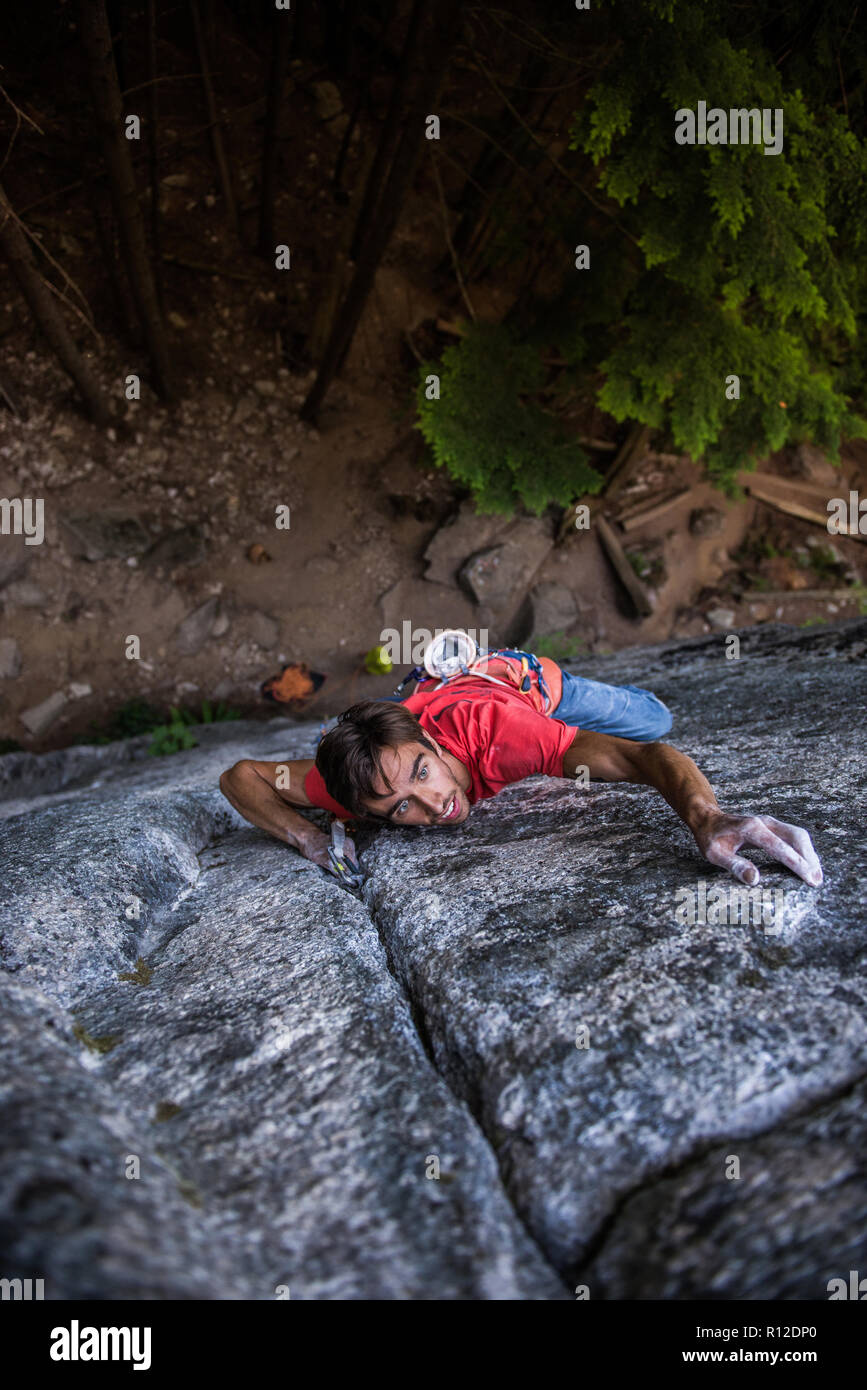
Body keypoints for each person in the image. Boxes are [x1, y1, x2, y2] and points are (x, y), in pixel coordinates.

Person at [219, 650, 823, 888]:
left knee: (654, 720)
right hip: (430, 702)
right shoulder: (355, 785)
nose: (434, 807)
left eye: (424, 774)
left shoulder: (507, 737)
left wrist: (706, 815)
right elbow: (240, 776)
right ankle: (436, 678)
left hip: (521, 683)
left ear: (430, 741)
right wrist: (310, 838)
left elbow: (641, 757)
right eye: (399, 807)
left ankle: (490, 668)